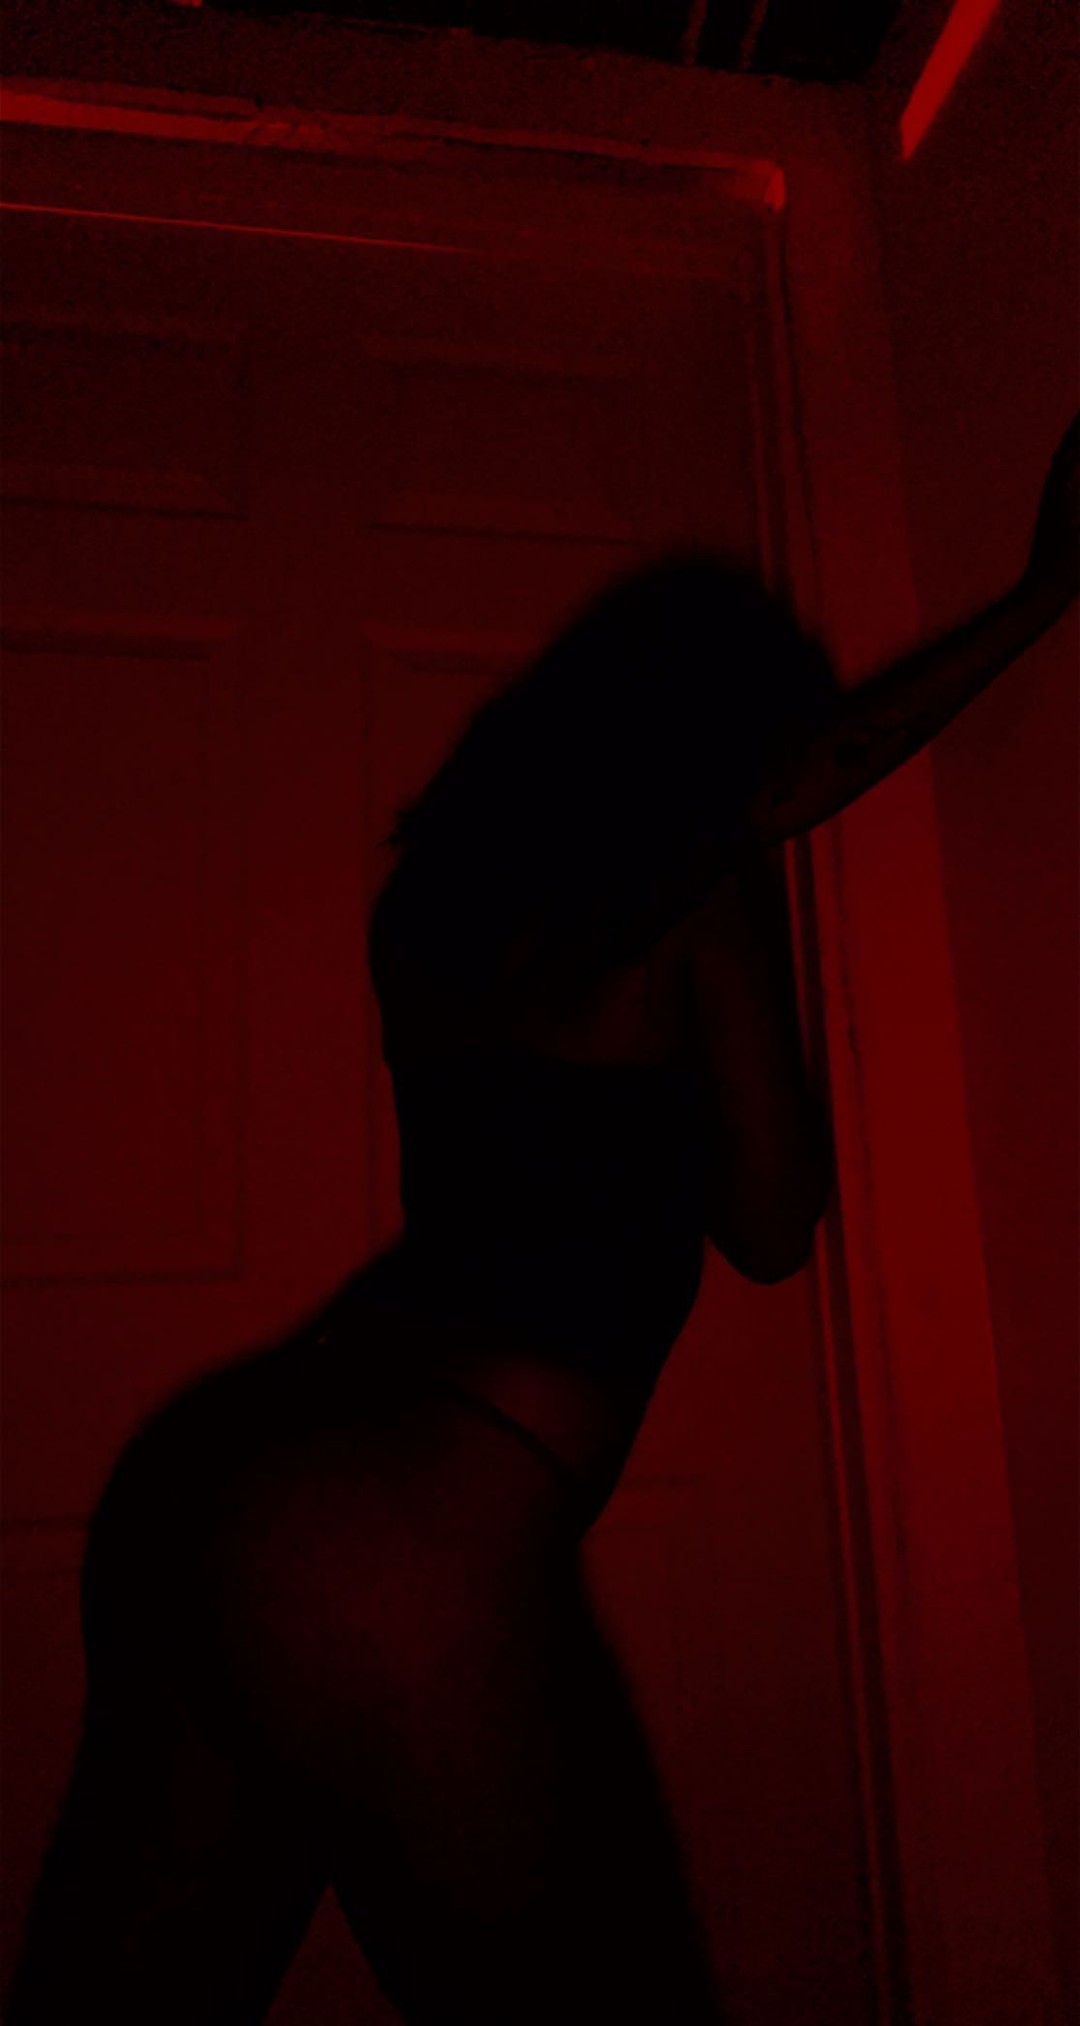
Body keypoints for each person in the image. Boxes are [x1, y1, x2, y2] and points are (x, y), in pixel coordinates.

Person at [6, 419, 1077, 2026]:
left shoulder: (433, 913)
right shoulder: (698, 894)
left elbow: (823, 763)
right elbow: (774, 1222)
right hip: (390, 1531)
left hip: (218, 1478)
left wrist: (1037, 600)